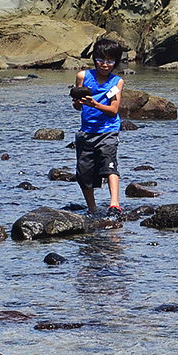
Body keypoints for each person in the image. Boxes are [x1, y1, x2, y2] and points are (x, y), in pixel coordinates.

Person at [72, 37, 125, 220]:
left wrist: (94, 104)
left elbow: (113, 110)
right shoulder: (83, 76)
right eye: (101, 60)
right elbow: (77, 106)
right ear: (94, 58)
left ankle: (114, 204)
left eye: (110, 61)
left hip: (108, 130)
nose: (105, 64)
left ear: (115, 62)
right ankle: (92, 208)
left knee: (109, 165)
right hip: (87, 131)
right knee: (83, 172)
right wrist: (79, 103)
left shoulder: (117, 82)